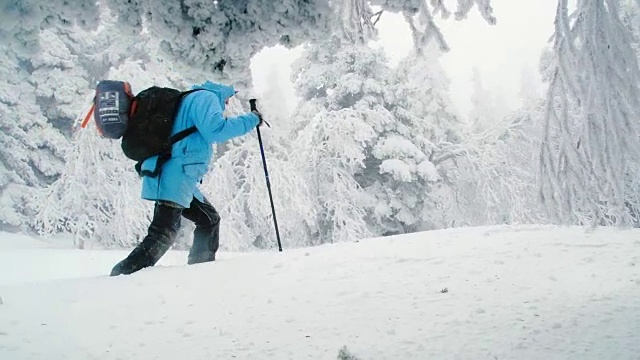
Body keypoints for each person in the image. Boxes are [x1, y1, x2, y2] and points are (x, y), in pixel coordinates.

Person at [110, 81, 262, 276]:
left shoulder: (192, 99)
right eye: (229, 98)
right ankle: (122, 275)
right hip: (174, 173)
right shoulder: (205, 97)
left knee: (209, 219)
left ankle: (200, 271)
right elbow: (216, 130)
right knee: (163, 233)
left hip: (178, 174)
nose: (227, 103)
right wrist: (252, 119)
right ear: (223, 92)